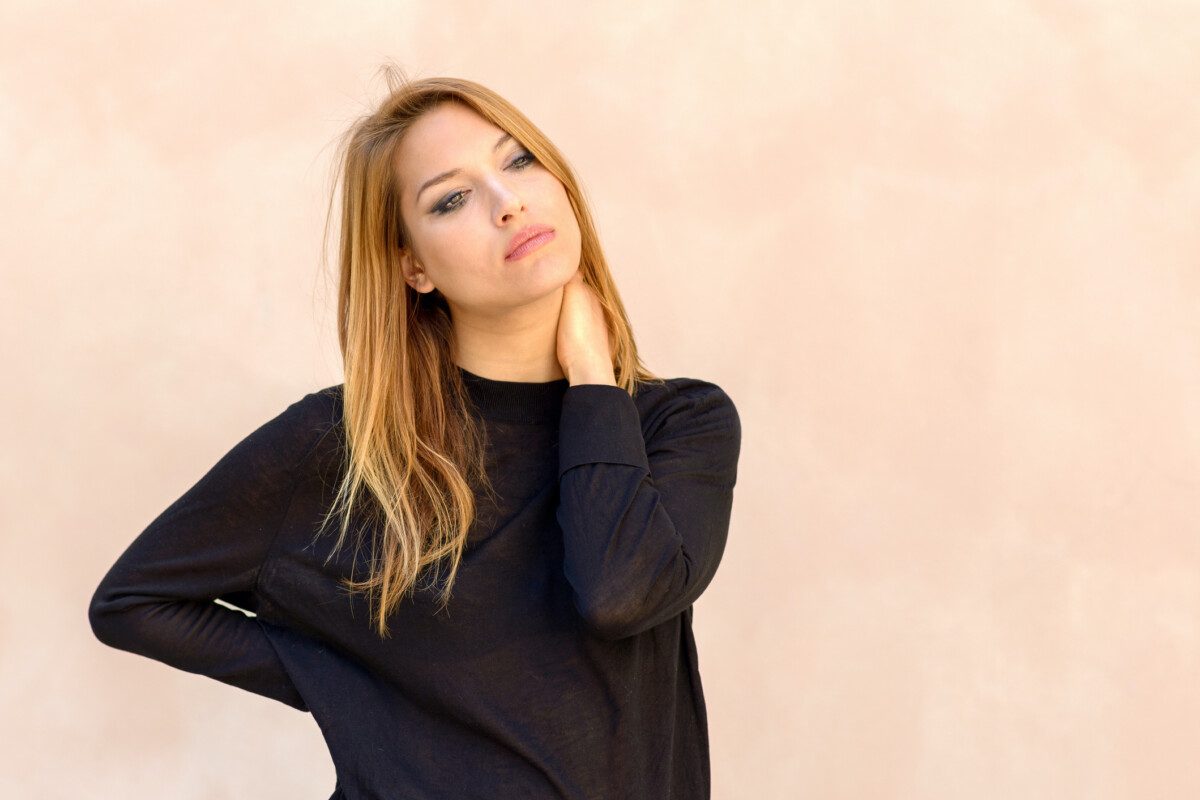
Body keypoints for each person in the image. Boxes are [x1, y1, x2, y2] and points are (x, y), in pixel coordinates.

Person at [88, 70, 742, 800]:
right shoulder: (342, 446)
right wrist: (347, 679)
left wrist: (591, 376)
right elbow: (131, 602)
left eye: (518, 160)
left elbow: (617, 593)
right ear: (414, 267)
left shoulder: (677, 424)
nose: (506, 202)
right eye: (452, 199)